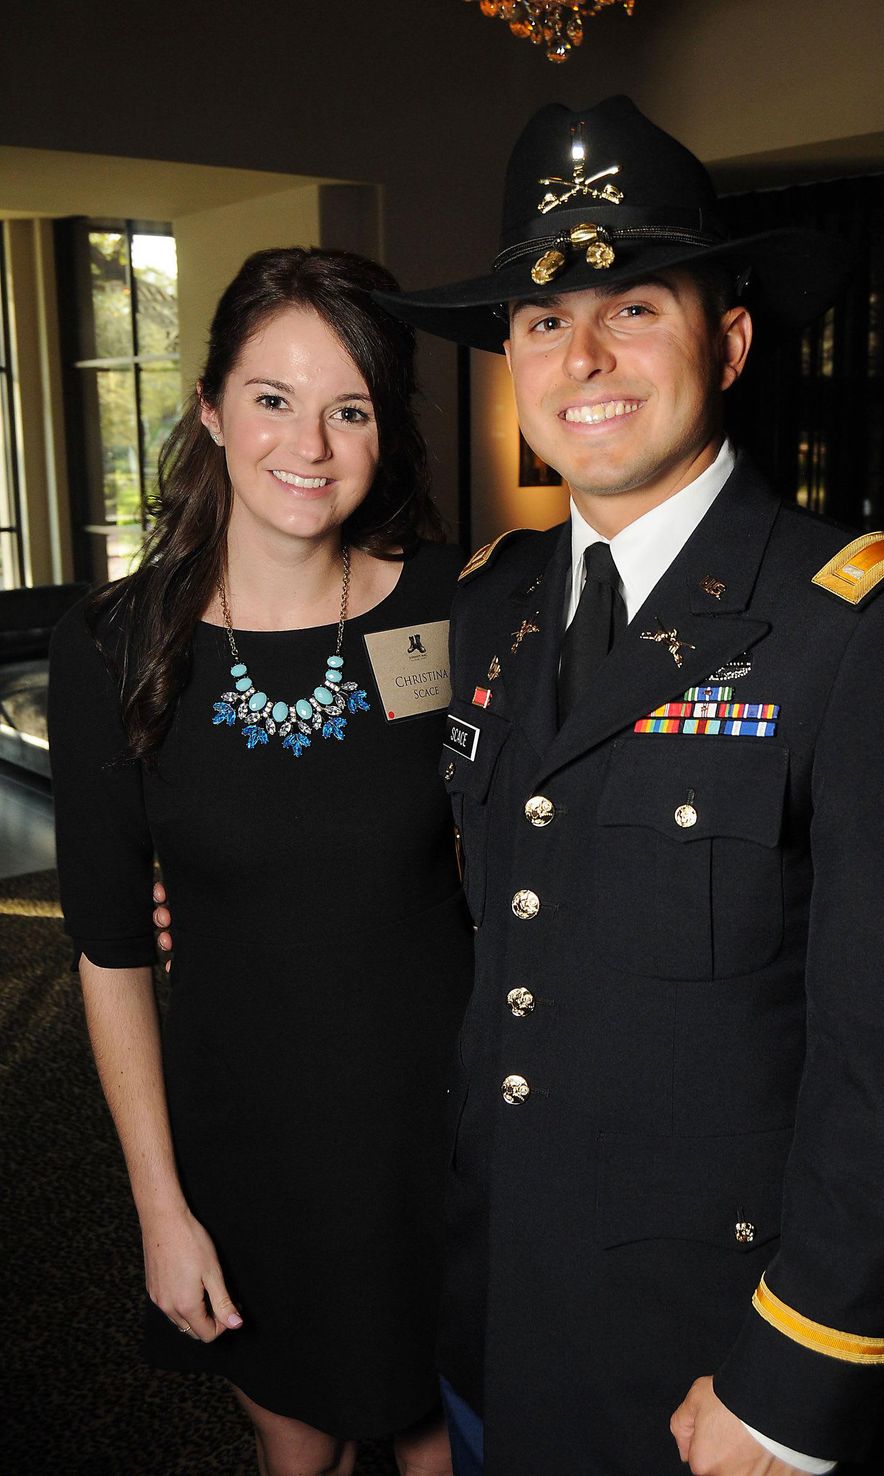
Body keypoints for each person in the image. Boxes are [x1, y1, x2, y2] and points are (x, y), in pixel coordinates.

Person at [375, 97, 884, 1475]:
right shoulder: (493, 599)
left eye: (633, 308)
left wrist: (798, 1373)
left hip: (703, 1357)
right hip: (488, 1306)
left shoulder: (864, 622)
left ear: (732, 341)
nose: (582, 357)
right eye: (543, 320)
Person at [47, 247, 473, 1476]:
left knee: (440, 1445)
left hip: (438, 1134)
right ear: (210, 409)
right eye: (273, 399)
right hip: (248, 1145)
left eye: (351, 409)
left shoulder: (458, 606)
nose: (310, 445)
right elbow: (111, 952)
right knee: (299, 1449)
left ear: (385, 430)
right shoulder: (116, 644)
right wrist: (160, 1211)